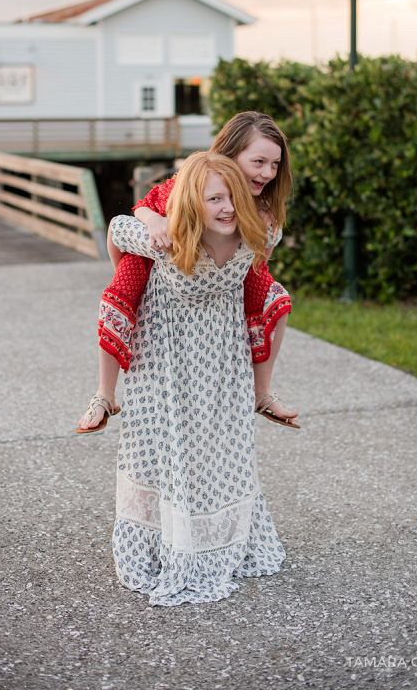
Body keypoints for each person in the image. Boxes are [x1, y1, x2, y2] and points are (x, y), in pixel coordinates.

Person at [92, 150, 287, 604]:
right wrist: (149, 226)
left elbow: (260, 271)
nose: (225, 208)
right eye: (213, 199)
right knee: (162, 453)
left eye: (231, 197)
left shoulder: (261, 232)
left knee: (223, 451)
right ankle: (168, 543)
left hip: (223, 363)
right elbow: (115, 234)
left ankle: (222, 539)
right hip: (162, 363)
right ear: (190, 203)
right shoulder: (164, 237)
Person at [80, 111, 299, 434]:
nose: (268, 173)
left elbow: (261, 254)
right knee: (120, 296)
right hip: (159, 246)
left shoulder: (258, 204)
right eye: (259, 163)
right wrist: (154, 223)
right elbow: (141, 207)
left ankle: (262, 392)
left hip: (222, 277)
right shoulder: (193, 181)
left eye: (275, 165)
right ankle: (105, 394)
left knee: (274, 300)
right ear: (230, 155)